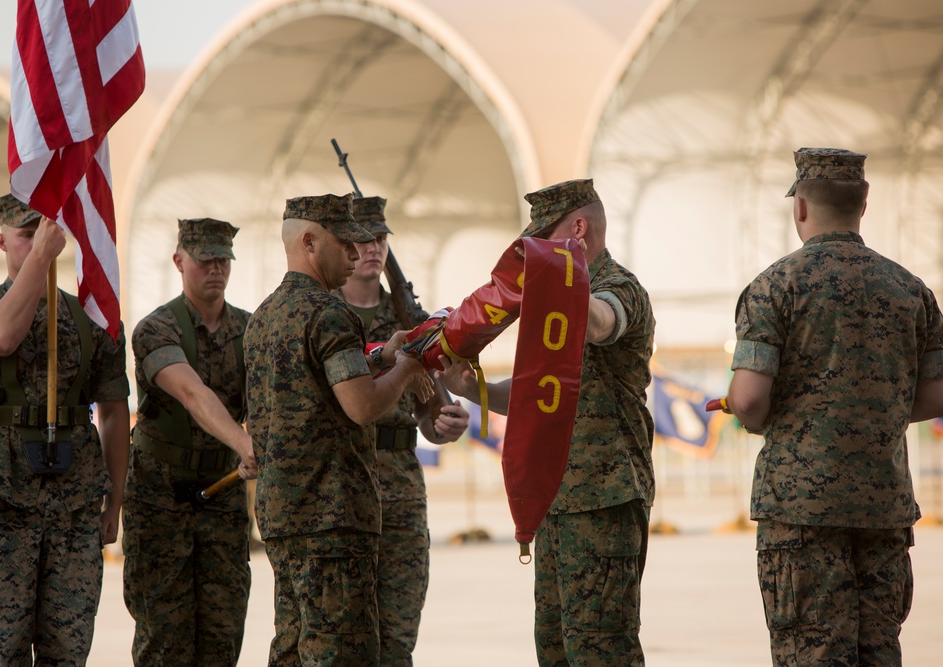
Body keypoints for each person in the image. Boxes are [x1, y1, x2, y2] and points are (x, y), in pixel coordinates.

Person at [723, 148, 943, 667]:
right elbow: (936, 399)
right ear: (863, 207)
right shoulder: (912, 290)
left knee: (813, 652)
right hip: (883, 503)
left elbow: (751, 397)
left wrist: (749, 411)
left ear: (800, 208)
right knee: (878, 651)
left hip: (800, 510)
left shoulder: (775, 287)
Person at [438, 179, 656, 665]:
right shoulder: (555, 299)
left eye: (545, 238)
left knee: (601, 650)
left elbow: (601, 322)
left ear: (578, 230)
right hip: (558, 501)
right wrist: (471, 388)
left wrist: (557, 284)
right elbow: (537, 394)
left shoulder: (617, 288)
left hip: (604, 501)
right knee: (555, 649)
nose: (535, 251)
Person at [244, 193, 433, 666]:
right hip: (333, 519)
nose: (356, 253)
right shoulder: (330, 313)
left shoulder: (264, 317)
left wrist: (378, 357)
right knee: (340, 652)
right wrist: (407, 368)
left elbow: (311, 382)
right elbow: (362, 405)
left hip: (285, 513)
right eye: (345, 243)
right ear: (310, 242)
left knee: (291, 648)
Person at [0, 194, 130, 664]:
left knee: (69, 648)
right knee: (5, 645)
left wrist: (115, 498)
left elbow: (115, 409)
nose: (39, 243)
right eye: (26, 235)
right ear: (1, 241)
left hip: (75, 506)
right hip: (3, 504)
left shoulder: (92, 318)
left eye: (44, 233)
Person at [337, 196, 470, 666]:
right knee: (341, 634)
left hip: (400, 485)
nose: (373, 248)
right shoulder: (324, 315)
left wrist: (443, 423)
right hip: (341, 483)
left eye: (380, 239)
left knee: (397, 634)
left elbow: (430, 410)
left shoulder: (411, 319)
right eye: (362, 239)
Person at [123, 218, 257, 666]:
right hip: (160, 499)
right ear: (180, 261)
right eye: (205, 260)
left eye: (223, 260)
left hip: (223, 497)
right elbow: (191, 392)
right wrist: (244, 441)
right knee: (164, 638)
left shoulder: (251, 332)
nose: (216, 269)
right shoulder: (156, 328)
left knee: (223, 634)